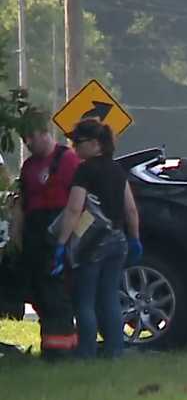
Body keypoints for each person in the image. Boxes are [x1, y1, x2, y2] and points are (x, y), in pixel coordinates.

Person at [52, 119, 142, 359]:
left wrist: (61, 244)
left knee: (85, 299)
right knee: (110, 296)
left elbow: (73, 210)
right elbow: (131, 210)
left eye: (77, 142)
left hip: (92, 244)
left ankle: (86, 351)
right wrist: (135, 239)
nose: (73, 147)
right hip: (118, 241)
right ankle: (115, 350)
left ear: (94, 144)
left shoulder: (85, 170)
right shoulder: (117, 170)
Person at [11, 111, 81, 360]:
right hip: (34, 236)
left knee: (57, 296)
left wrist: (67, 241)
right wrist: (17, 235)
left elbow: (80, 204)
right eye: (24, 138)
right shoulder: (29, 166)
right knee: (40, 295)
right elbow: (22, 204)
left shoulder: (67, 160)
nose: (28, 143)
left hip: (59, 235)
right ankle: (51, 346)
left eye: (32, 137)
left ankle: (63, 351)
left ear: (45, 133)